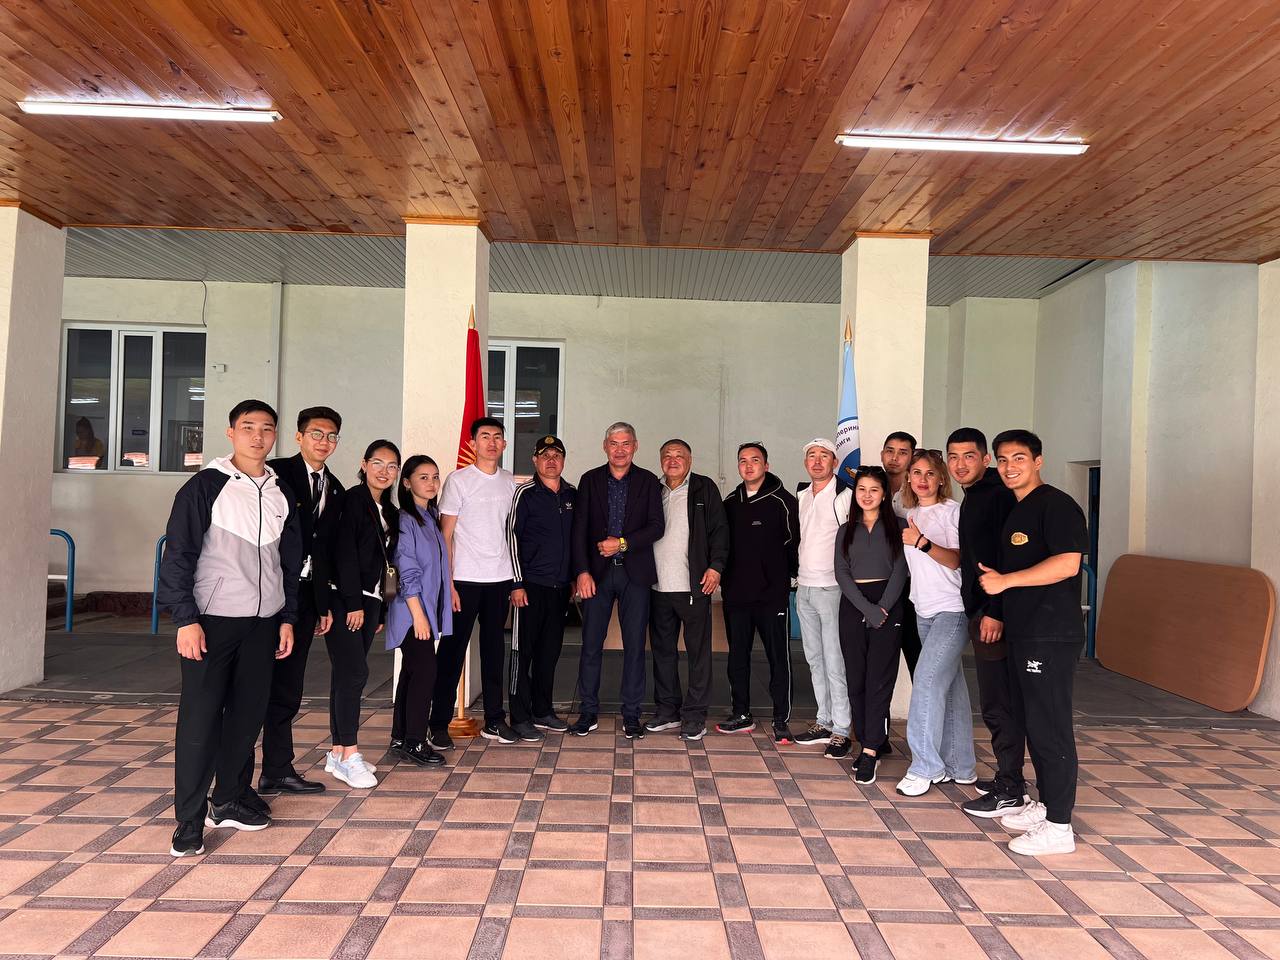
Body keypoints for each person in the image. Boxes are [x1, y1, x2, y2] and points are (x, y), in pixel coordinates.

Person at [158, 399, 300, 858]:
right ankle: (188, 821)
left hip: (263, 624)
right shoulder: (204, 487)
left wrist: (286, 618)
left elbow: (290, 564)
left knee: (246, 718)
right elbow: (178, 557)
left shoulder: (280, 491)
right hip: (211, 622)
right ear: (231, 432)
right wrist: (185, 620)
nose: (258, 436)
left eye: (267, 428)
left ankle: (229, 799)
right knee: (200, 721)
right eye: (248, 427)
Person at [979, 430, 1088, 857]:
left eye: (1019, 458)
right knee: (1031, 722)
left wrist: (1006, 581)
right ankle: (1045, 807)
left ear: (1038, 461)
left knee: (1050, 727)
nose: (1010, 467)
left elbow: (1067, 564)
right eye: (1003, 460)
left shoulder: (1056, 505)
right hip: (1025, 633)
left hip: (1050, 633)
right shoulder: (1019, 509)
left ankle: (1059, 827)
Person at [247, 406, 345, 797]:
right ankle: (234, 780)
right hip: (266, 594)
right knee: (252, 686)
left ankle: (277, 769)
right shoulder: (275, 474)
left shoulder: (335, 487)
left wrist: (323, 605)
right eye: (316, 434)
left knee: (288, 687)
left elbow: (327, 552)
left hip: (304, 600)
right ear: (299, 437)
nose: (324, 441)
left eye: (331, 436)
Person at [946, 428, 1026, 820]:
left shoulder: (996, 496)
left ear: (985, 459)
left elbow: (1005, 559)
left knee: (998, 703)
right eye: (953, 456)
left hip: (993, 614)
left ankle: (1010, 788)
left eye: (969, 456)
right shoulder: (976, 495)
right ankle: (1008, 779)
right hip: (981, 610)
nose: (960, 464)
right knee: (995, 700)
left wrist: (995, 610)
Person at [569, 422, 665, 739]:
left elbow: (656, 527)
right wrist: (582, 571)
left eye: (626, 443)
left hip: (634, 573)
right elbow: (579, 530)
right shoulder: (590, 480)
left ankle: (632, 714)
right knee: (590, 645)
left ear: (635, 446)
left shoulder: (649, 482)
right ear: (605, 446)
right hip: (596, 575)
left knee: (635, 646)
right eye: (614, 443)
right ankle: (588, 712)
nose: (620, 449)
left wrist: (622, 543)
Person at [894, 448, 976, 797]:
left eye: (930, 473)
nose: (923, 479)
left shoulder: (953, 512)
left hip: (952, 611)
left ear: (942, 478)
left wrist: (922, 542)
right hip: (923, 612)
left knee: (926, 683)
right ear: (908, 478)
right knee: (951, 687)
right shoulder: (910, 513)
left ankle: (925, 767)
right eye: (916, 473)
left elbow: (957, 560)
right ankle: (961, 766)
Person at [432, 418, 519, 745]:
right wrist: (449, 585)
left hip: (500, 579)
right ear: (473, 443)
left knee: (494, 652)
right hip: (464, 581)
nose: (491, 442)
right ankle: (438, 724)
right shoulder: (458, 481)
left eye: (497, 437)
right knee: (451, 653)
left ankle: (494, 720)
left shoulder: (510, 482)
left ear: (504, 444)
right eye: (485, 437)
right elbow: (446, 536)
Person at [325, 439, 400, 789]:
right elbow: (344, 553)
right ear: (364, 464)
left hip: (371, 600)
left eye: (391, 466)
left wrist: (379, 608)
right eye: (378, 463)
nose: (384, 471)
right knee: (354, 673)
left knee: (345, 675)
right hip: (347, 600)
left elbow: (386, 564)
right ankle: (350, 754)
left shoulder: (389, 510)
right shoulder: (352, 500)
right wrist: (353, 602)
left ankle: (337, 752)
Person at [645, 439, 729, 742]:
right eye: (667, 455)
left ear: (690, 460)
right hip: (657, 586)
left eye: (679, 455)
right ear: (660, 460)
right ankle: (668, 710)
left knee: (698, 654)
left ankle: (694, 716)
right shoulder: (652, 489)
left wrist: (715, 567)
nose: (673, 460)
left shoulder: (704, 488)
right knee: (663, 652)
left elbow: (720, 530)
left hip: (693, 586)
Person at [719, 442, 799, 743]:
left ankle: (781, 718)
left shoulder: (783, 501)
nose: (748, 465)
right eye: (743, 460)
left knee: (778, 658)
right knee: (737, 657)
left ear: (766, 465)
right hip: (737, 596)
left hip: (771, 596)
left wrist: (782, 579)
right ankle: (741, 714)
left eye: (755, 460)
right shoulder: (730, 503)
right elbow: (721, 546)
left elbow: (794, 546)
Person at [834, 466, 907, 785]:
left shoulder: (899, 527)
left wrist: (882, 609)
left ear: (884, 494)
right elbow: (841, 572)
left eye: (874, 489)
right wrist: (866, 608)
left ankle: (870, 750)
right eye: (861, 489)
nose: (866, 495)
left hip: (888, 604)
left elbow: (901, 571)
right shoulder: (845, 530)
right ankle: (870, 738)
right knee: (856, 678)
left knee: (879, 678)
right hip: (853, 604)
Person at [507, 435, 577, 742]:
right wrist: (517, 582)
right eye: (545, 455)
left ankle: (542, 710)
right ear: (535, 460)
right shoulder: (524, 493)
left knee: (549, 653)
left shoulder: (572, 494)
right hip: (530, 587)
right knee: (523, 653)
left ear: (563, 461)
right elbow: (510, 537)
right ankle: (520, 716)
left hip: (559, 589)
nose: (551, 460)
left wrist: (574, 578)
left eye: (556, 455)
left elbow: (576, 540)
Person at [385, 455, 450, 767]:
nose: (432, 483)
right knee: (426, 671)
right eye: (423, 477)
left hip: (425, 609)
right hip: (411, 611)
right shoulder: (405, 520)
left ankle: (400, 737)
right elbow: (406, 569)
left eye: (435, 477)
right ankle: (415, 741)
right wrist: (419, 615)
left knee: (412, 671)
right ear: (407, 482)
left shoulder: (430, 516)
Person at [793, 438, 854, 758]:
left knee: (834, 661)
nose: (817, 461)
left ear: (835, 462)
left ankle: (842, 729)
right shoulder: (802, 495)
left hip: (832, 589)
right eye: (812, 456)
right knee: (814, 659)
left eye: (824, 456)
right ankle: (824, 721)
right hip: (804, 587)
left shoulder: (845, 496)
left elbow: (854, 542)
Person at [881, 431, 922, 677]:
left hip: (912, 583)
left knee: (917, 653)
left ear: (912, 456)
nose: (894, 458)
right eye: (890, 451)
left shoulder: (920, 489)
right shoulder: (872, 487)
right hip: (880, 581)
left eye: (902, 452)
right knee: (881, 658)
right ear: (882, 454)